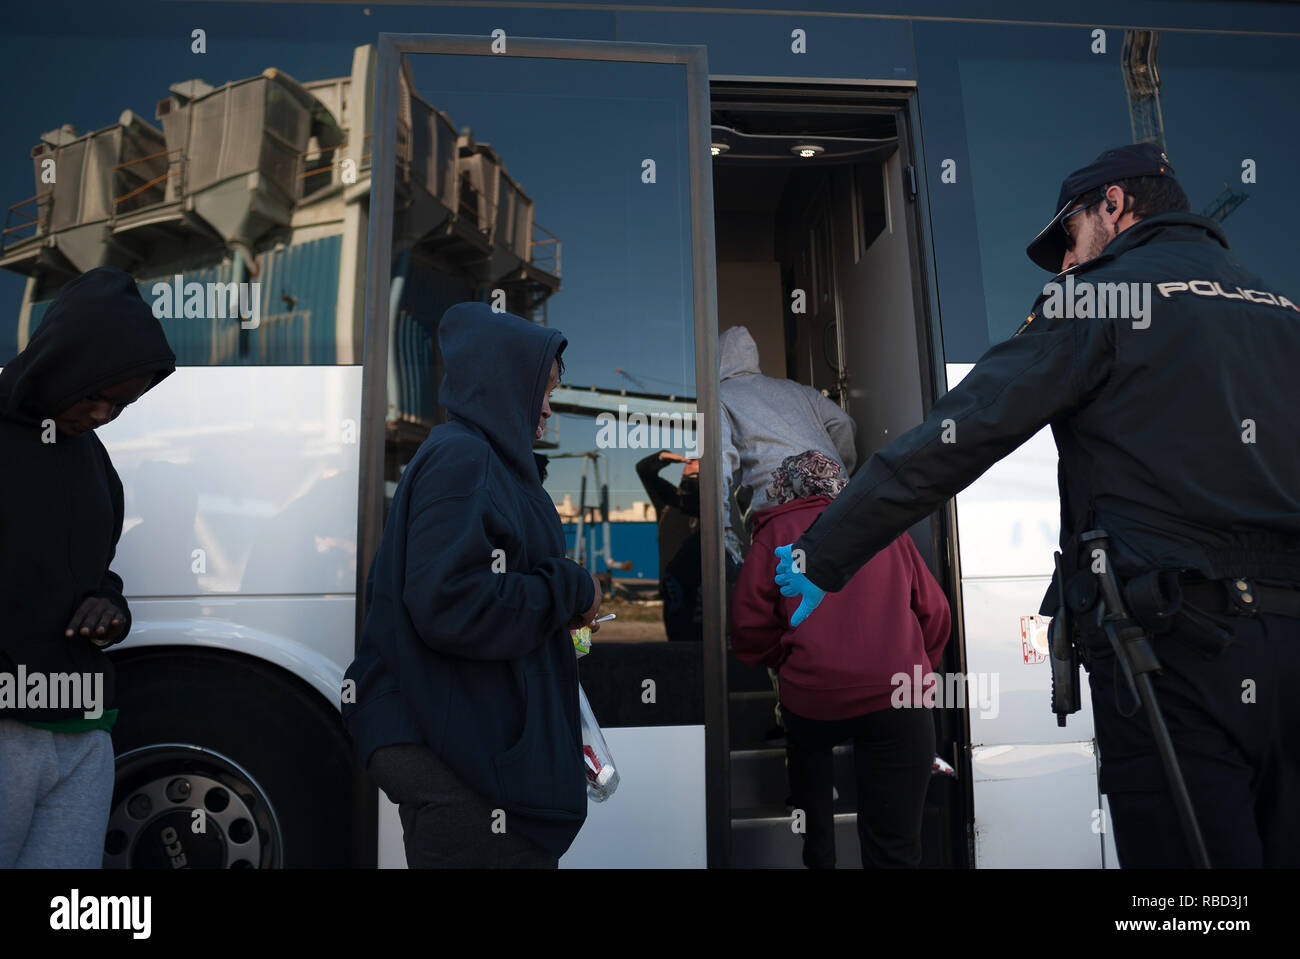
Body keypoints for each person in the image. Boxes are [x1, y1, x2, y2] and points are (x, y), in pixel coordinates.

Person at [774, 143, 1300, 868]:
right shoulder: (1282, 307)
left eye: (1070, 238)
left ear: (1113, 205)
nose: (1065, 266)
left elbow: (952, 438)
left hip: (1177, 655)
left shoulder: (1101, 298)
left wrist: (824, 549)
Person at [343, 301, 602, 868]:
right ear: (506, 382)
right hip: (459, 760)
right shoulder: (466, 460)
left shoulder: (480, 460)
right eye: (544, 390)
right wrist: (571, 588)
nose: (549, 410)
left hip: (466, 749)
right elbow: (453, 603)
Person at [0, 267, 176, 868]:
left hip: (81, 732)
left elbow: (93, 574)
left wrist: (110, 609)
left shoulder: (92, 462)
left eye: (121, 405)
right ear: (62, 365)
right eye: (96, 394)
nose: (104, 414)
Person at [732, 451, 950, 868]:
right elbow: (935, 611)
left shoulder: (774, 531)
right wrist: (919, 665)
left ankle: (819, 851)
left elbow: (748, 628)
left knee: (808, 762)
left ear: (785, 485)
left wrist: (784, 660)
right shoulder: (883, 525)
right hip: (898, 696)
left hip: (813, 699)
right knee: (896, 849)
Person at [719, 325, 856, 552]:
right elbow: (842, 423)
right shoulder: (797, 389)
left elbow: (720, 462)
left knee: (782, 584)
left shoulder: (721, 397)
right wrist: (838, 473)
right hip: (841, 504)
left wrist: (722, 527)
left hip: (783, 516)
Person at [636, 450, 702, 641]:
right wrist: (664, 456)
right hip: (675, 592)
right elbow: (644, 470)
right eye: (692, 462)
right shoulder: (668, 501)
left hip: (705, 591)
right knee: (679, 646)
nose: (694, 462)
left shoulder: (714, 504)